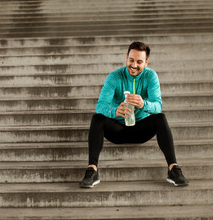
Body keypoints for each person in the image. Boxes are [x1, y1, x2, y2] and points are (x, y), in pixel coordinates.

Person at [79, 41, 189, 188]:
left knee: (161, 118)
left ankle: (173, 169)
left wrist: (144, 104)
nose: (134, 65)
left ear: (146, 62)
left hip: (141, 130)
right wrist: (114, 111)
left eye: (139, 62)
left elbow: (158, 105)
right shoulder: (114, 77)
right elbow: (100, 105)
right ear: (126, 57)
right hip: (117, 129)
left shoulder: (151, 76)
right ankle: (92, 170)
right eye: (131, 60)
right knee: (97, 118)